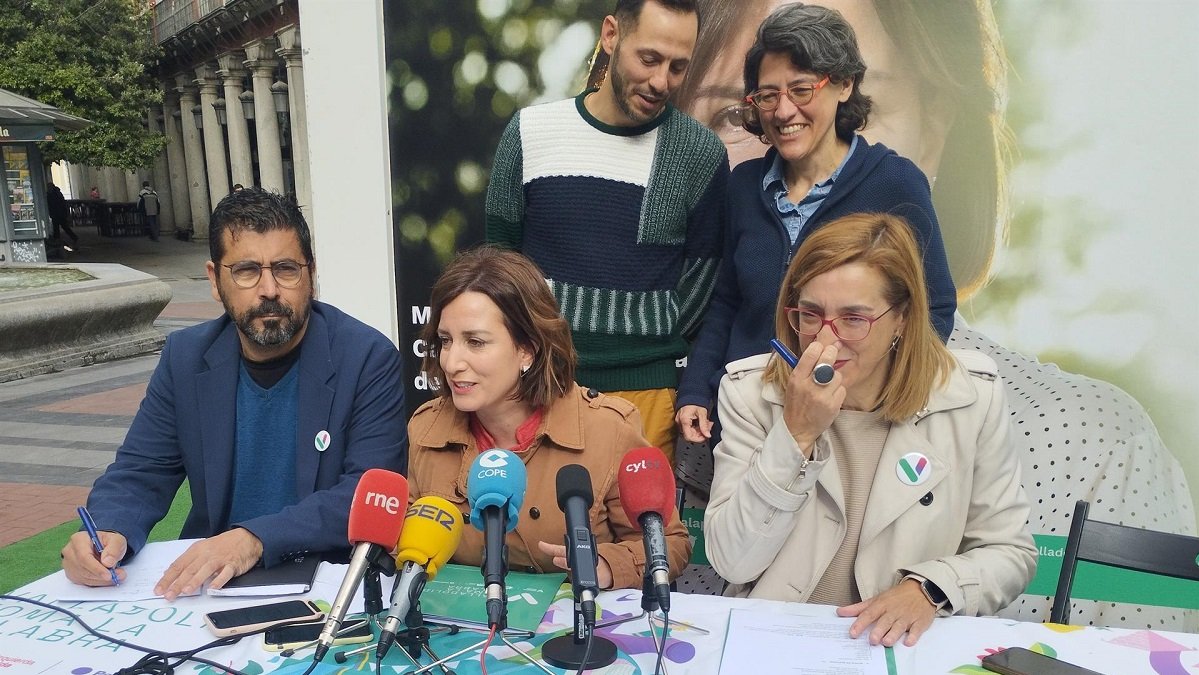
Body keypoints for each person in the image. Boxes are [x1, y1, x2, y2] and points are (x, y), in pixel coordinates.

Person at [671, 0, 1197, 630]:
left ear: (935, 131)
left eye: (819, 93)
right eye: (739, 111)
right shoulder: (659, 421)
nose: (790, 121)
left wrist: (936, 585)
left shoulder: (1095, 451)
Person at [705, 213, 1036, 646]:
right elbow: (733, 562)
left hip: (892, 645)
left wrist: (930, 588)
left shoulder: (971, 397)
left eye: (853, 319)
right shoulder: (750, 391)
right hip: (777, 641)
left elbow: (1011, 553)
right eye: (810, 314)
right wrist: (796, 434)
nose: (827, 339)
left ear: (901, 318)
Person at [60, 188, 407, 599]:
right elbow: (143, 468)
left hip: (323, 582)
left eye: (286, 269)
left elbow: (369, 493)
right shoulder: (186, 358)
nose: (269, 289)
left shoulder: (367, 357)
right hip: (210, 584)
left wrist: (254, 538)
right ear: (215, 279)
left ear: (311, 275)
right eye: (246, 271)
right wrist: (107, 527)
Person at [674, 2, 956, 454]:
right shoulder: (743, 187)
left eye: (801, 90)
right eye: (767, 95)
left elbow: (935, 308)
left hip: (853, 430)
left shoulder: (896, 183)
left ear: (844, 84)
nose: (783, 111)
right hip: (750, 420)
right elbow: (725, 304)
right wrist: (695, 390)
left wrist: (884, 396)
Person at [485, 0, 728, 465]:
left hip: (648, 398)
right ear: (612, 35)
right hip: (539, 388)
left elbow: (702, 283)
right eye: (650, 59)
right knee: (531, 532)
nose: (662, 82)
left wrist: (645, 344)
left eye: (679, 66)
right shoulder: (530, 132)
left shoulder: (699, 153)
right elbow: (499, 269)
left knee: (639, 537)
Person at [407, 247, 691, 590]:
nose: (452, 363)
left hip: (574, 630)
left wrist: (605, 566)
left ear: (528, 349)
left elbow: (670, 543)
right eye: (446, 341)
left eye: (476, 342)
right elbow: (409, 542)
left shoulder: (608, 429)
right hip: (465, 634)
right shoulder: (425, 428)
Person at [46, 181, 78, 248]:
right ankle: (72, 237)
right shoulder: (57, 193)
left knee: (58, 227)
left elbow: (54, 204)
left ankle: (57, 240)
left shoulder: (52, 194)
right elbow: (62, 203)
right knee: (63, 227)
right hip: (59, 213)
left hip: (57, 213)